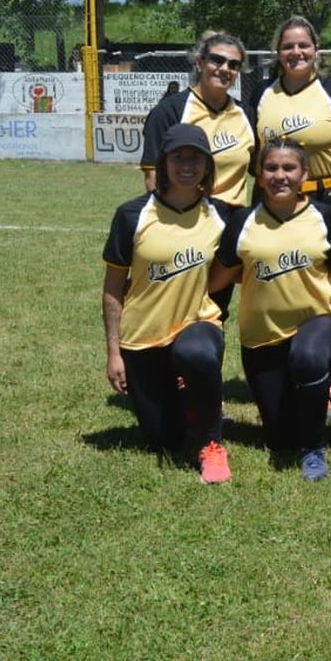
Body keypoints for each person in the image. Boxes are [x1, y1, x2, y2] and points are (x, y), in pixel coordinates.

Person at [209, 137, 331, 481]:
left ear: (304, 173)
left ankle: (314, 447)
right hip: (262, 339)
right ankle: (306, 405)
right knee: (281, 439)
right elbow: (217, 281)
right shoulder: (242, 223)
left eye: (289, 168)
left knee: (309, 355)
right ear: (258, 172)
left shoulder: (327, 217)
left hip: (319, 324)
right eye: (271, 167)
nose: (279, 175)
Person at [101, 123, 231, 483]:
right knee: (164, 439)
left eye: (196, 158)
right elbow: (113, 288)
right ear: (163, 163)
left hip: (197, 324)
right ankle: (189, 401)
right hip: (143, 337)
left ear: (207, 166)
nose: (187, 165)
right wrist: (114, 352)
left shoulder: (222, 215)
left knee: (196, 354)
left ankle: (212, 442)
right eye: (178, 157)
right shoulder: (132, 215)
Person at [141, 31, 257, 212]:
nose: (225, 68)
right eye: (217, 60)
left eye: (234, 65)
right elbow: (153, 177)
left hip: (232, 223)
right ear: (199, 62)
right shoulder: (169, 111)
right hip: (188, 221)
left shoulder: (246, 114)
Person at [253, 16, 331, 206]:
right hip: (272, 197)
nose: (296, 52)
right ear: (278, 51)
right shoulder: (262, 93)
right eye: (287, 46)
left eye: (303, 45)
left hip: (326, 198)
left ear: (316, 49)